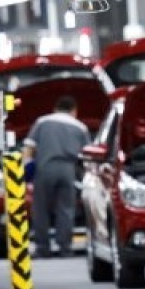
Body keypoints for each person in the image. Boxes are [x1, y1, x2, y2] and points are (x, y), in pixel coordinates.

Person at [24, 95, 91, 258]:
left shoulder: (42, 122)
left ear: (55, 109)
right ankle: (65, 248)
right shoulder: (81, 127)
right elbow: (88, 156)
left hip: (44, 168)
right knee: (66, 209)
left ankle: (43, 247)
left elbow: (28, 148)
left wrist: (27, 173)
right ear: (74, 111)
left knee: (40, 209)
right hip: (68, 170)